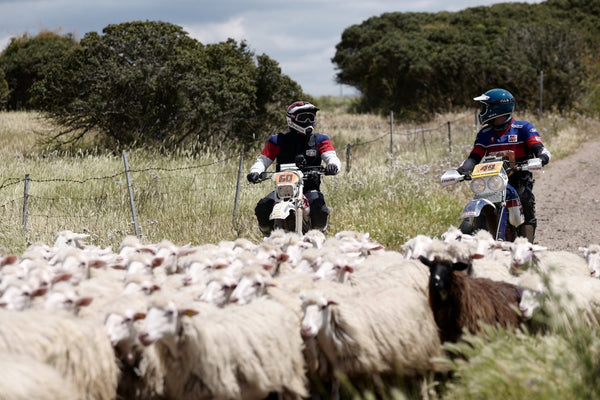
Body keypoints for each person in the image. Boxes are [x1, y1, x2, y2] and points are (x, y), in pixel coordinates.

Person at [456, 88, 551, 243]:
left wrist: (541, 157)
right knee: (477, 199)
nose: (482, 111)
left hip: (518, 180)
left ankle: (527, 244)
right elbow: (474, 156)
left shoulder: (523, 128)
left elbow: (538, 146)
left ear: (495, 108)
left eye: (484, 107)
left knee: (525, 198)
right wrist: (462, 170)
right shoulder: (485, 133)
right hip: (491, 183)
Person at [247, 101, 341, 236]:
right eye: (303, 118)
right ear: (291, 119)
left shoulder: (320, 139)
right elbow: (263, 160)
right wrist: (255, 172)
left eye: (311, 117)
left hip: (309, 188)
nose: (308, 121)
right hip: (283, 190)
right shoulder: (277, 140)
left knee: (319, 209)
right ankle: (267, 235)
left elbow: (331, 156)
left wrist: (333, 166)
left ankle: (319, 235)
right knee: (262, 207)